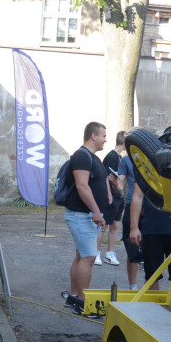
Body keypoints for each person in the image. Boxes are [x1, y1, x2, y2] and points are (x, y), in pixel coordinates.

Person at [128, 138, 171, 293]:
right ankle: (152, 309)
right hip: (152, 228)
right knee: (152, 277)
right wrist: (134, 227)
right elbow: (137, 197)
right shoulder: (145, 168)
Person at [61, 122, 111, 314]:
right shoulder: (82, 156)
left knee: (82, 255)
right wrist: (96, 212)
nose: (105, 139)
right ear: (93, 136)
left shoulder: (93, 157)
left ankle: (74, 297)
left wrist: (106, 198)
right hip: (82, 215)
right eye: (103, 136)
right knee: (89, 257)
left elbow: (100, 181)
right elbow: (82, 186)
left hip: (87, 215)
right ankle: (83, 302)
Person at [117, 134, 144, 290]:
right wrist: (115, 185)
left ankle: (150, 286)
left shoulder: (150, 159)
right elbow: (120, 185)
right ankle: (133, 287)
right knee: (133, 250)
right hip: (131, 206)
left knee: (152, 248)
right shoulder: (126, 160)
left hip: (149, 208)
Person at [98, 131, 125, 266]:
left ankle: (109, 253)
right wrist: (108, 195)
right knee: (104, 225)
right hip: (111, 197)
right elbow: (106, 178)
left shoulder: (120, 157)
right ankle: (96, 253)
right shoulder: (111, 157)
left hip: (118, 196)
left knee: (114, 225)